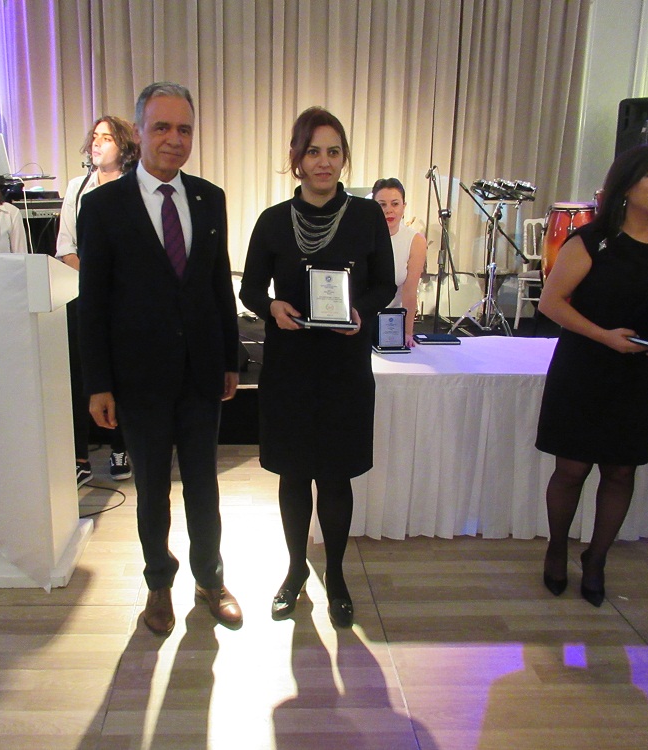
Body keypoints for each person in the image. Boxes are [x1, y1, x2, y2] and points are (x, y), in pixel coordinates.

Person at [77, 82, 242, 635]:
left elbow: (217, 285)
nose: (175, 139)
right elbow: (93, 302)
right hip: (138, 378)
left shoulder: (210, 198)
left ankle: (210, 578)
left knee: (203, 486)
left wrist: (230, 358)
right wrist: (98, 383)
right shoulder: (103, 206)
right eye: (162, 127)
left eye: (185, 129)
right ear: (140, 132)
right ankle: (158, 585)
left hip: (201, 372)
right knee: (151, 490)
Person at [239, 107, 396, 627]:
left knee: (335, 476)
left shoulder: (367, 217)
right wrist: (272, 308)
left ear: (344, 157)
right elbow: (250, 289)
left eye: (333, 151)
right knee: (292, 475)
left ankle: (337, 574)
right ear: (296, 158)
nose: (323, 162)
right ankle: (294, 571)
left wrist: (361, 312)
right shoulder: (272, 220)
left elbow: (384, 283)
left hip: (344, 366)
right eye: (313, 151)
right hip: (290, 366)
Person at [535, 143, 648, 607]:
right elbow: (551, 303)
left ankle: (597, 558)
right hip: (583, 369)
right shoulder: (591, 241)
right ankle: (557, 547)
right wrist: (604, 336)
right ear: (626, 185)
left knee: (621, 471)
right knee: (571, 469)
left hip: (636, 376)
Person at [56, 115, 139, 486]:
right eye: (94, 136)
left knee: (121, 374)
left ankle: (121, 447)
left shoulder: (134, 187)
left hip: (123, 298)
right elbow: (65, 246)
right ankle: (79, 456)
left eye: (106, 137)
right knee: (80, 373)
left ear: (123, 146)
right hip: (82, 293)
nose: (97, 143)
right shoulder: (77, 188)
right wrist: (91, 281)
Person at [371, 177, 427, 346]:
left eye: (395, 204)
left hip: (391, 321)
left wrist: (407, 332)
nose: (389, 210)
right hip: (362, 317)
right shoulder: (361, 236)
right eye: (382, 205)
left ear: (404, 206)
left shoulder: (415, 240)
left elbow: (410, 291)